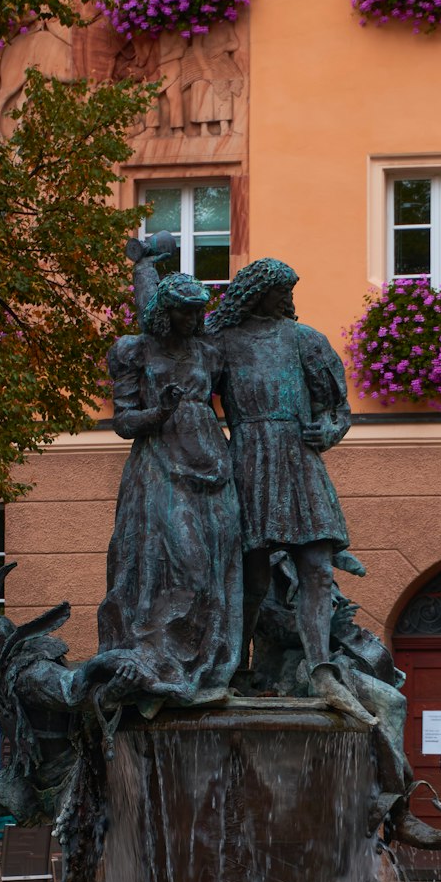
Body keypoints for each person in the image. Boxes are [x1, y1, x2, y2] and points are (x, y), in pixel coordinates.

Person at [206, 258, 373, 725]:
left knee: (317, 567)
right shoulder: (223, 344)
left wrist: (329, 431)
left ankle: (320, 666)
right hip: (247, 459)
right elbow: (195, 399)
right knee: (250, 576)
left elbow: (338, 407)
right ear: (259, 293)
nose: (289, 300)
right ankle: (236, 666)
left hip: (299, 458)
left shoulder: (305, 340)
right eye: (282, 291)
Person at [97, 267, 242, 710]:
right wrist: (157, 411)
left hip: (212, 463)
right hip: (159, 461)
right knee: (177, 564)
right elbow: (123, 421)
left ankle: (207, 666)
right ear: (165, 313)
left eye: (198, 312)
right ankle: (158, 661)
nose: (192, 321)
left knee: (216, 566)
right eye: (184, 313)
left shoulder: (210, 351)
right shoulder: (133, 351)